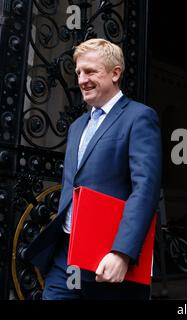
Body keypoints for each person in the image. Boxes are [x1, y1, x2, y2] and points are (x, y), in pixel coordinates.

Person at [25, 38, 162, 299]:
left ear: (115, 73)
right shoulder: (77, 126)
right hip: (65, 258)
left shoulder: (139, 117)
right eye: (78, 72)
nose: (81, 79)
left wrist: (122, 252)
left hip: (108, 258)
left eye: (90, 71)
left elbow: (145, 189)